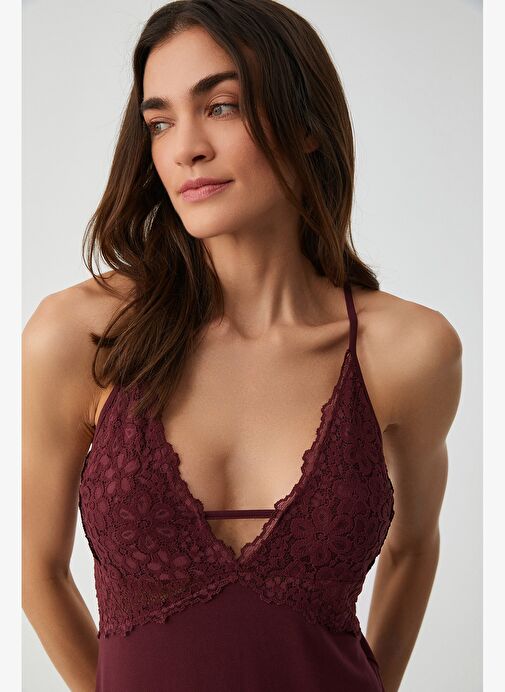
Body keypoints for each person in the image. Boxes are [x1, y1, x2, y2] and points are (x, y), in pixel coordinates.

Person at [22, 1, 462, 690]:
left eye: (221, 107)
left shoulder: (407, 349)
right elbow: (36, 572)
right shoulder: (80, 336)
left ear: (307, 125)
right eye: (160, 122)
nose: (185, 148)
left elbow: (414, 548)